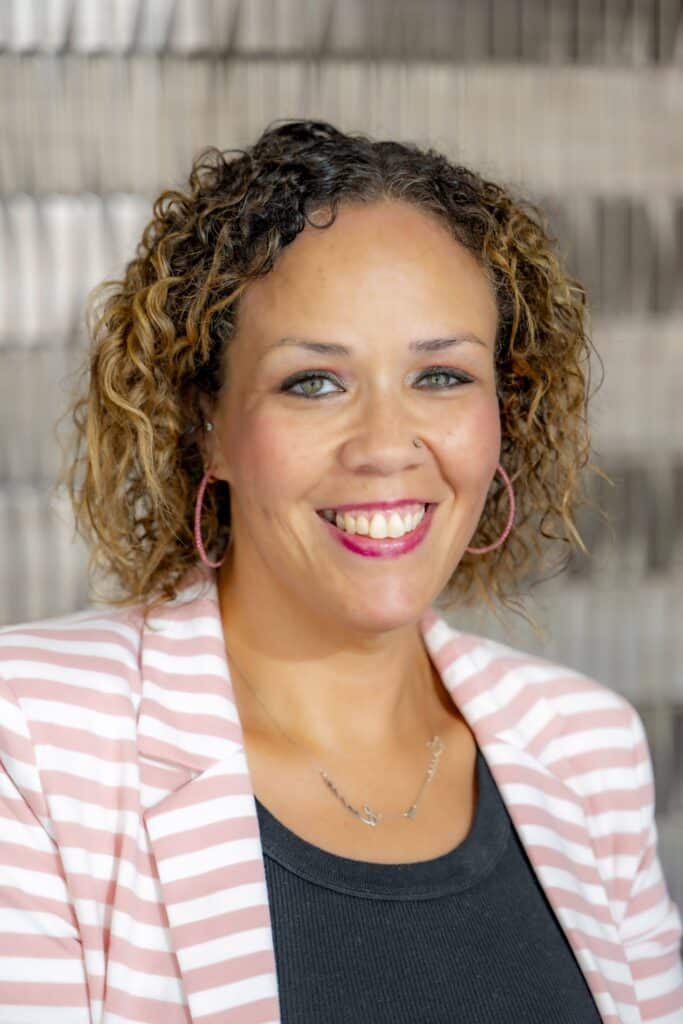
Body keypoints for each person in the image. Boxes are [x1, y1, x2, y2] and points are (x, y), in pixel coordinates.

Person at [0, 119, 680, 1024]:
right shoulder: (33, 745)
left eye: (440, 377)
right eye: (313, 382)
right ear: (205, 422)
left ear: (503, 412)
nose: (385, 448)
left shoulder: (586, 751)